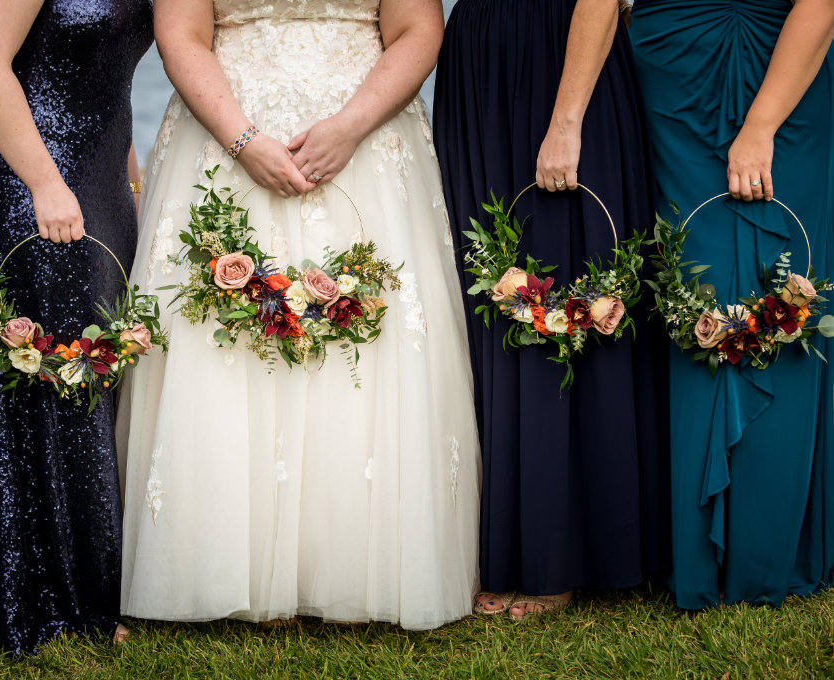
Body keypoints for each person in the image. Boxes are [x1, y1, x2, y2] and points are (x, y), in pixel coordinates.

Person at [118, 0, 480, 629]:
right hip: (226, 132)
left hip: (365, 139)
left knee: (365, 344)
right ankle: (218, 560)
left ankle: (342, 559)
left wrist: (350, 126)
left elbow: (418, 29)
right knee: (224, 338)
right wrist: (243, 140)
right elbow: (180, 32)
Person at [432, 0, 668, 619]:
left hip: (560, 60)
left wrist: (567, 120)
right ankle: (510, 546)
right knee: (496, 292)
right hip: (480, 66)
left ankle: (564, 552)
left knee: (565, 286)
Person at [0, 0, 150, 654]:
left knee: (92, 376)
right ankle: (47, 595)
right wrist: (43, 182)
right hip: (34, 180)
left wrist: (130, 179)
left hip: (100, 184)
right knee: (46, 382)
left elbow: (107, 79)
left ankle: (95, 584)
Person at [630, 0, 834, 609]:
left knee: (786, 291)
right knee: (695, 303)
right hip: (674, 76)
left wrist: (761, 125)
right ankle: (690, 554)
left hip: (781, 65)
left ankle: (768, 551)